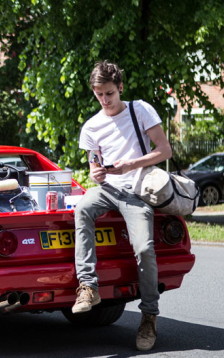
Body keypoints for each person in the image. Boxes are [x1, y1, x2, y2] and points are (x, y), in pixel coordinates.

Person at [74, 60, 172, 351]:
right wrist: (96, 172)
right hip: (107, 190)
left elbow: (164, 150)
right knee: (82, 208)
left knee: (143, 248)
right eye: (99, 94)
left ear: (120, 87)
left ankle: (149, 317)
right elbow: (93, 164)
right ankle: (89, 287)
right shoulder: (91, 126)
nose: (104, 100)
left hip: (137, 191)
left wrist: (131, 164)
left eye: (109, 94)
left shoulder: (139, 110)